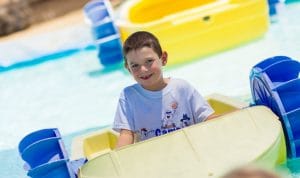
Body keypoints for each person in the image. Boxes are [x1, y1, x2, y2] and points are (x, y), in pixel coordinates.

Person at [113, 31, 217, 148]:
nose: (143, 69)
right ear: (128, 68)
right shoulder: (128, 96)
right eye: (135, 65)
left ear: (163, 58)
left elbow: (208, 119)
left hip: (190, 150)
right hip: (154, 158)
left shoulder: (181, 88)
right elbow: (126, 134)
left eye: (149, 61)